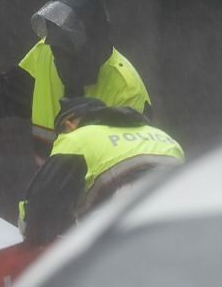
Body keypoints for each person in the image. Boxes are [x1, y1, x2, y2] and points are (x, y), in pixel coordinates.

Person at [0, 0, 151, 163]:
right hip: (49, 204)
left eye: (69, 45)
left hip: (102, 208)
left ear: (92, 40)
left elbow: (132, 169)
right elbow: (7, 95)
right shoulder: (46, 53)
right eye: (57, 45)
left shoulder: (126, 87)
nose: (59, 54)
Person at [19, 97, 185, 245]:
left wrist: (28, 227)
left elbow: (41, 202)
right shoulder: (160, 135)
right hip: (182, 213)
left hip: (131, 222)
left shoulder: (76, 137)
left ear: (68, 126)